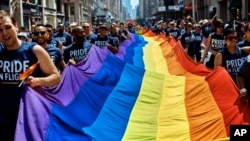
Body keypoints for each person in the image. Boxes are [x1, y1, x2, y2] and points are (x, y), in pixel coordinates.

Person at [0, 10, 60, 140]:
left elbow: (56, 77)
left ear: (16, 26)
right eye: (0, 30)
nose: (4, 33)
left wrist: (39, 81)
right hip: (3, 121)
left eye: (8, 27)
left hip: (28, 119)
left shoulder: (34, 50)